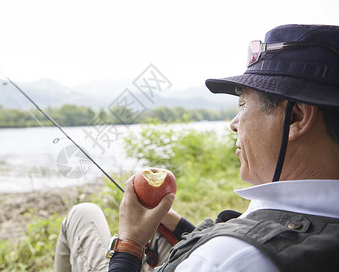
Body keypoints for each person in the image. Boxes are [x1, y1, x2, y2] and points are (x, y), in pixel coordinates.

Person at [54, 24, 339, 272]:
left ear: (297, 117)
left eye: (242, 105)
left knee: (83, 214)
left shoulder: (227, 261)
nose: (234, 124)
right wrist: (173, 222)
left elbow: (224, 257)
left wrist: (130, 244)